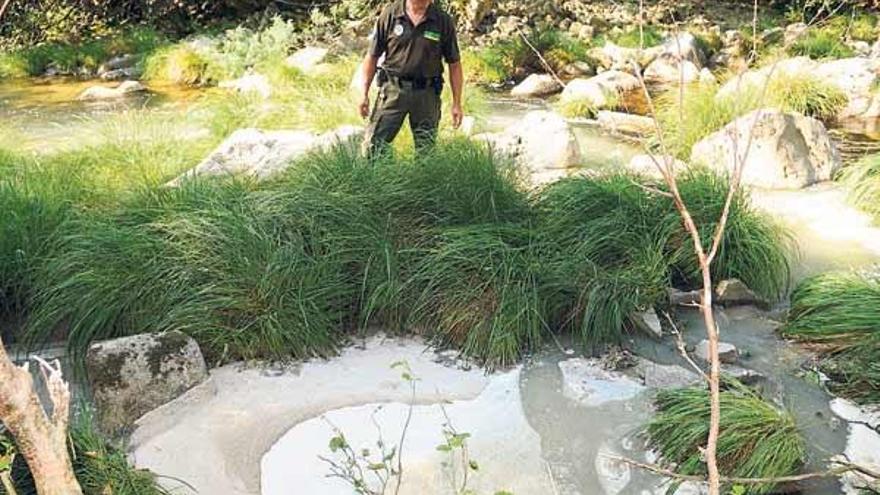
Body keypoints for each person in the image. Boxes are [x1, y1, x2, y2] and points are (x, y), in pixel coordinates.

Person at [359, 0, 464, 156]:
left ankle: (422, 180)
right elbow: (372, 56)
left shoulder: (442, 21)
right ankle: (371, 179)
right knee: (373, 147)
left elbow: (454, 65)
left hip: (427, 94)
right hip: (393, 91)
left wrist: (456, 103)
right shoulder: (390, 14)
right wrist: (364, 94)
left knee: (426, 152)